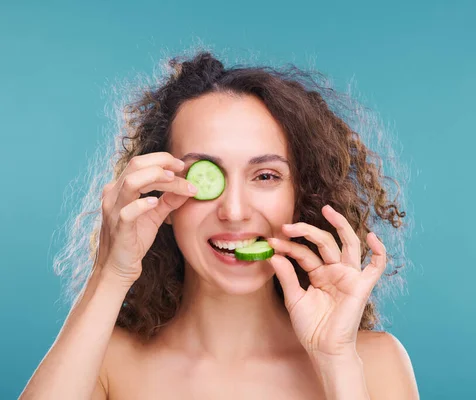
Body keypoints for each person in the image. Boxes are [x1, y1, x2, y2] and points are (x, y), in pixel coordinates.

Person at [20, 50, 419, 399]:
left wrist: (336, 363)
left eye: (265, 176)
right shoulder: (107, 363)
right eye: (204, 176)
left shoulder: (373, 362)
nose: (234, 210)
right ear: (162, 195)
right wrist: (110, 274)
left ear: (303, 195)